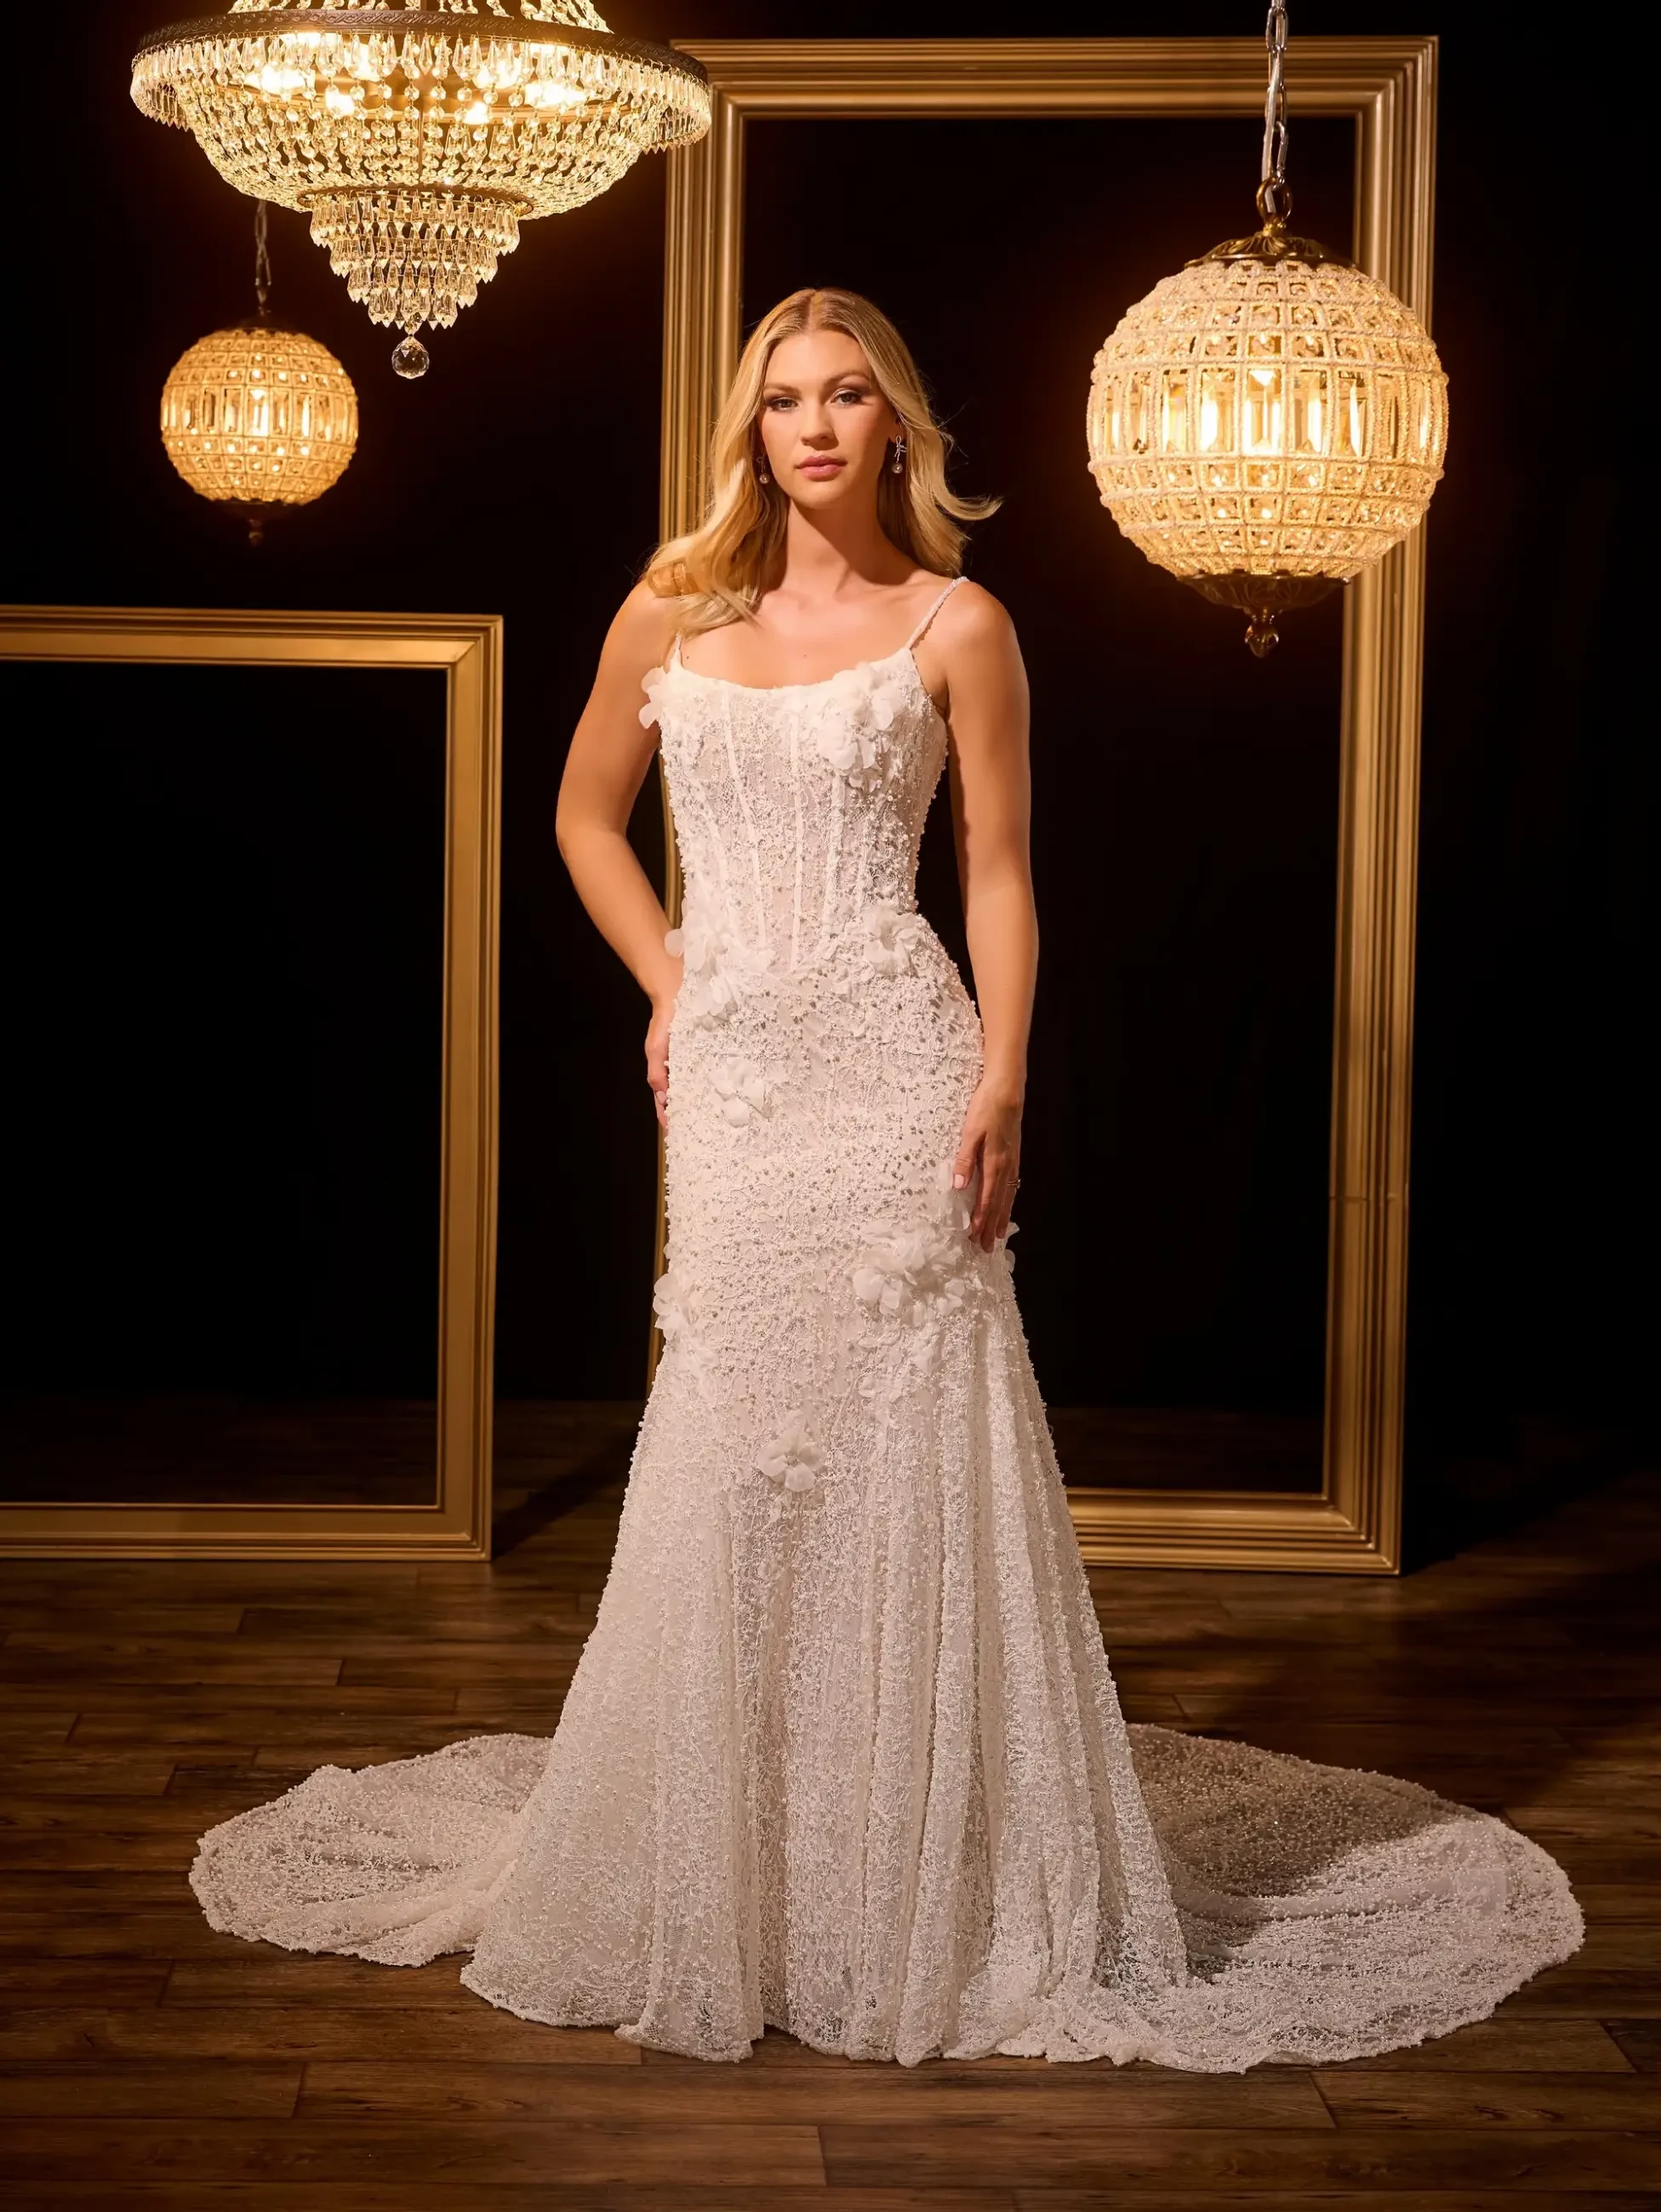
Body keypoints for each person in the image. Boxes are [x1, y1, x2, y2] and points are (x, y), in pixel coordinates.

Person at [190, 287, 1581, 2067]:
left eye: (849, 395)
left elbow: (997, 869)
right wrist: (671, 980)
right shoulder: (669, 605)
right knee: (739, 1432)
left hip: (896, 1063)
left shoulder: (959, 622)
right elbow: (580, 818)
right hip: (741, 1080)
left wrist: (1004, 1073)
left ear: (898, 425)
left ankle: (920, 1872)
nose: (817, 426)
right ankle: (733, 1868)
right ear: (751, 429)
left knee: (909, 1437)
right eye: (785, 400)